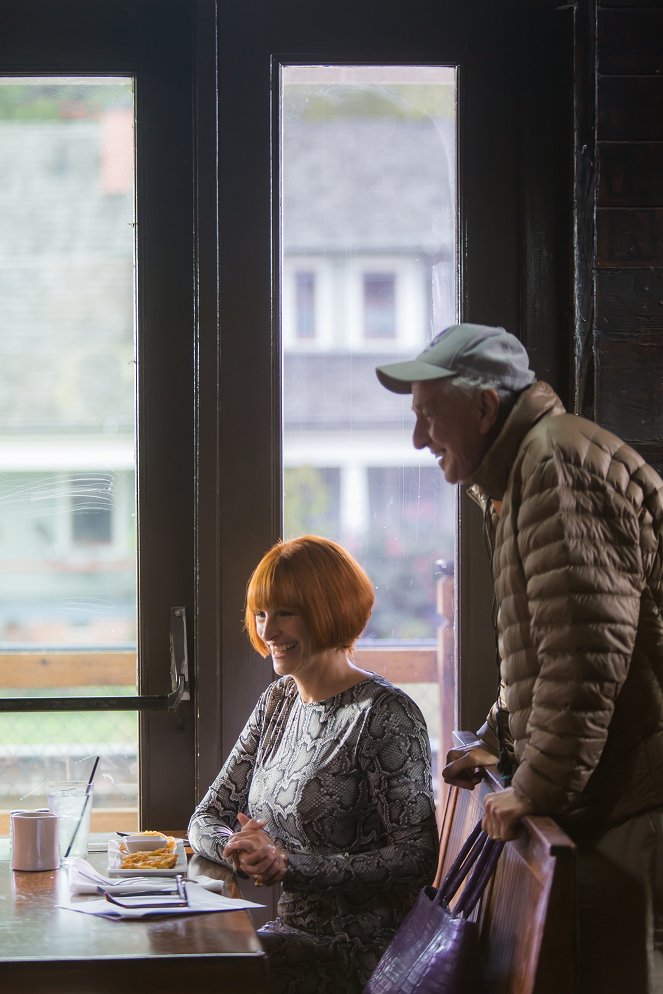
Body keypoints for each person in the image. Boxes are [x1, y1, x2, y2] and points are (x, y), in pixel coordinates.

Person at [376, 322, 663, 994]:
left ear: (482, 407)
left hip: (636, 800)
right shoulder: (524, 469)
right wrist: (499, 744)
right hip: (616, 793)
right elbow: (547, 652)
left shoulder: (554, 464)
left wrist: (534, 788)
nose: (418, 439)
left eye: (428, 416)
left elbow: (584, 658)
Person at [188, 535, 439, 994]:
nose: (267, 632)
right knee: (180, 959)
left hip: (362, 955)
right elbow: (205, 817)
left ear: (330, 610)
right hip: (293, 938)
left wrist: (290, 865)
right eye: (262, 614)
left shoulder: (385, 714)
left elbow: (416, 857)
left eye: (285, 613)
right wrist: (242, 851)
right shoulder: (278, 701)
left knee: (198, 975)